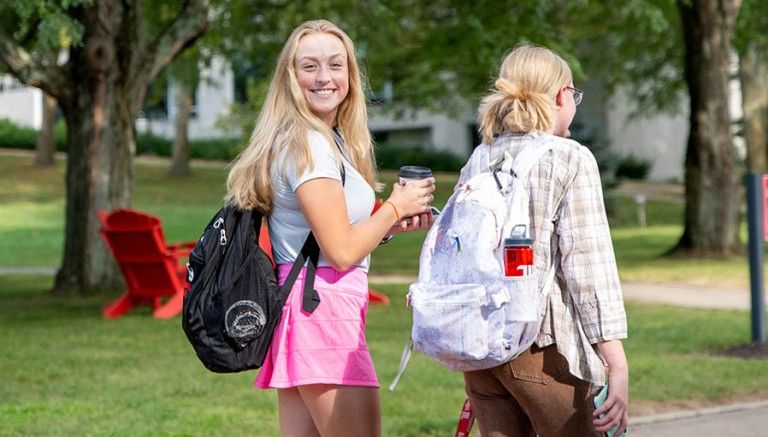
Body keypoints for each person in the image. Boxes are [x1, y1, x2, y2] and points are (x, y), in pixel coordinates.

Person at [225, 19, 435, 437]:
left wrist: (389, 225)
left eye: (336, 65)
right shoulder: (310, 145)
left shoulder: (323, 139)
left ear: (351, 75)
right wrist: (394, 206)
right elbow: (339, 251)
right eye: (310, 67)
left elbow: (329, 237)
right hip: (322, 312)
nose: (325, 78)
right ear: (291, 77)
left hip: (310, 307)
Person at [457, 44, 629, 436]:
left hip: (482, 350)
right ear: (559, 96)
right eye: (573, 93)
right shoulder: (569, 157)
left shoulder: (480, 158)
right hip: (542, 345)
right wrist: (616, 362)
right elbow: (588, 265)